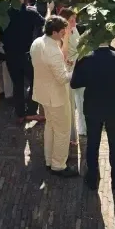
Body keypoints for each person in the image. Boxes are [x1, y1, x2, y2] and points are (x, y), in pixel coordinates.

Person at [70, 41, 115, 190]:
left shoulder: (85, 58)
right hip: (113, 107)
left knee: (92, 143)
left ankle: (92, 178)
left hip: (92, 106)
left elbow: (74, 83)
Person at [31, 15, 77, 177]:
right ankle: (58, 165)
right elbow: (62, 78)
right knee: (63, 131)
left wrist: (63, 66)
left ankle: (49, 159)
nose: (65, 33)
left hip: (43, 94)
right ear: (55, 32)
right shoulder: (53, 51)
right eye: (63, 31)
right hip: (56, 97)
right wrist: (75, 71)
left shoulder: (37, 42)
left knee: (50, 126)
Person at [1, 0, 44, 122]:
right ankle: (30, 111)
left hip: (10, 55)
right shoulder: (31, 12)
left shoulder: (4, 13)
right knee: (35, 82)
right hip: (26, 55)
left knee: (17, 84)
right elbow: (44, 23)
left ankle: (20, 114)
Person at [57, 7, 87, 138]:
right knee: (70, 103)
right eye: (71, 20)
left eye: (75, 19)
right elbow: (61, 52)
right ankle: (70, 132)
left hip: (79, 67)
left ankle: (83, 128)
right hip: (69, 70)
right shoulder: (61, 34)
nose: (74, 22)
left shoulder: (74, 29)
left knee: (82, 99)